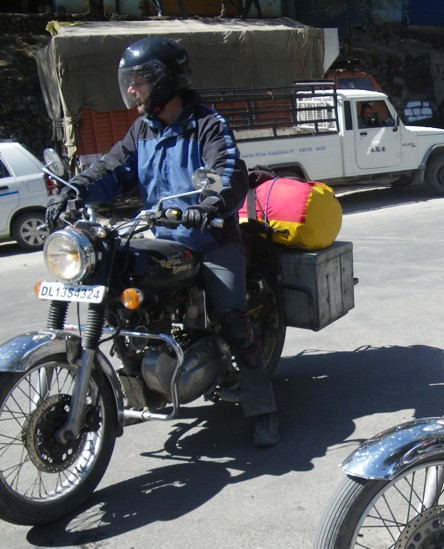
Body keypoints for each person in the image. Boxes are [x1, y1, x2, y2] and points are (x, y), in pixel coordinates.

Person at [44, 37, 280, 448]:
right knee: (120, 293)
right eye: (130, 81)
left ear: (165, 81)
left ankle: (263, 408)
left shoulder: (207, 124)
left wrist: (210, 205)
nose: (131, 89)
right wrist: (74, 190)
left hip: (212, 239)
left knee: (232, 317)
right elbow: (111, 168)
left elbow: (227, 169)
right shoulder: (142, 130)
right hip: (165, 238)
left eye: (139, 81)